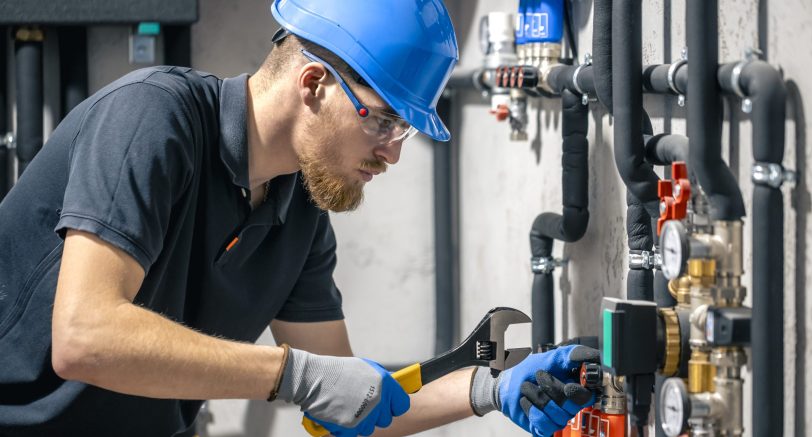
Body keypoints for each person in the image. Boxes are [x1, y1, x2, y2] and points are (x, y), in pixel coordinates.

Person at [0, 1, 598, 436]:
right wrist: (293, 373)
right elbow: (84, 336)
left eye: (405, 131)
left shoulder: (301, 209)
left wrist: (485, 388)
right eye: (384, 121)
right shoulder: (153, 117)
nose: (393, 152)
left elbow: (342, 399)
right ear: (314, 83)